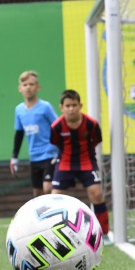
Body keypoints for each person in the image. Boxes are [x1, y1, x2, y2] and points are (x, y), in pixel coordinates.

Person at [50, 89, 110, 237]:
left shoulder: (91, 124)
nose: (71, 109)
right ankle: (53, 234)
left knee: (96, 194)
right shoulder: (56, 127)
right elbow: (56, 143)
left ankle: (104, 233)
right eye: (68, 105)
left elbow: (97, 140)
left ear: (80, 105)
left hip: (87, 162)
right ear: (61, 107)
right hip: (64, 163)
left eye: (74, 105)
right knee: (55, 198)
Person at [12, 71, 59, 199]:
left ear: (38, 87)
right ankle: (42, 219)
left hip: (50, 154)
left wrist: (60, 148)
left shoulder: (45, 107)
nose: (28, 87)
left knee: (47, 188)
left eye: (31, 84)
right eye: (25, 84)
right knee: (37, 194)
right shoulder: (19, 110)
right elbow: (19, 133)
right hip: (34, 156)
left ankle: (53, 217)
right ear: (20, 88)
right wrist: (14, 157)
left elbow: (58, 127)